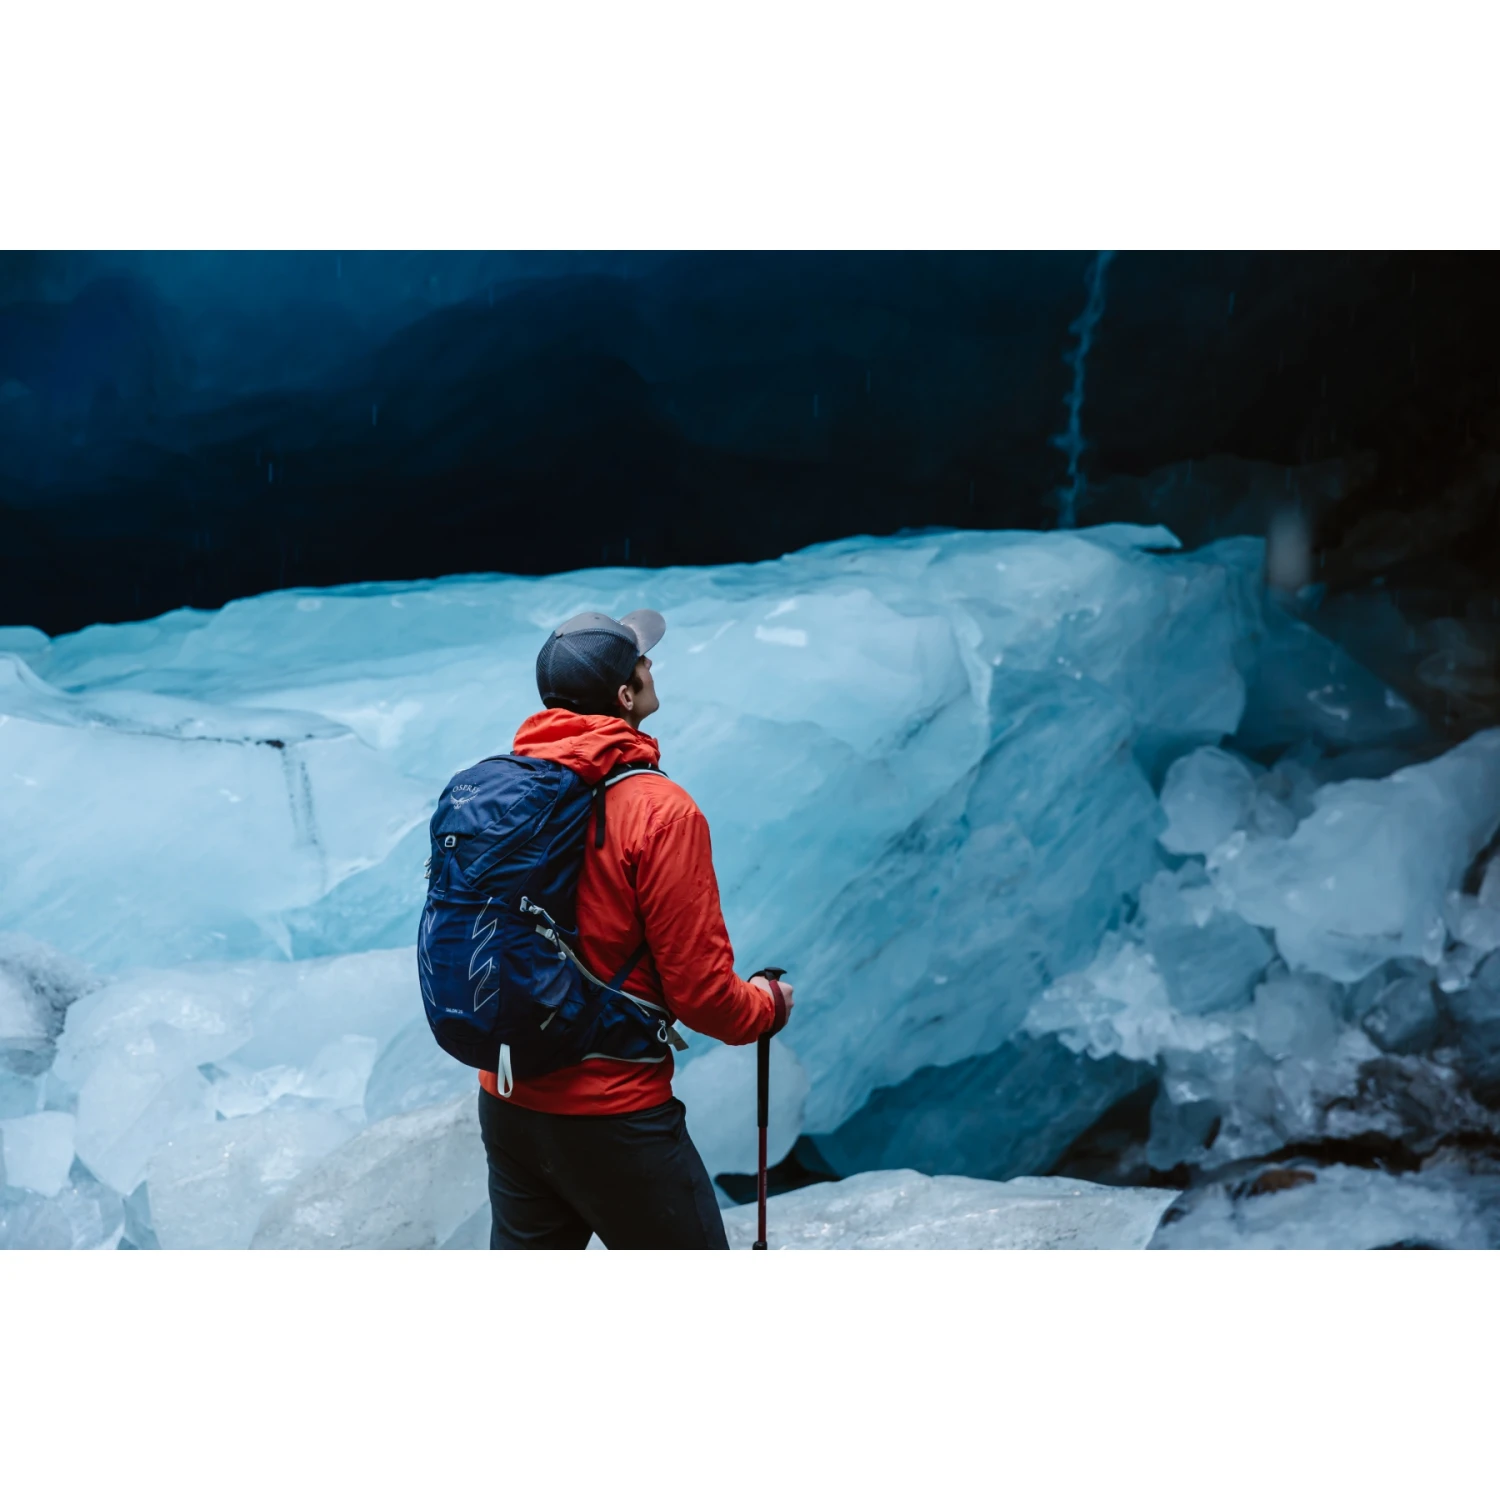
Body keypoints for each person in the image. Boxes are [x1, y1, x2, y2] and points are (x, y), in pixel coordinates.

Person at [476, 608, 794, 1249]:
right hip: (612, 1112)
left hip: (509, 1101)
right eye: (641, 661)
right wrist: (767, 1007)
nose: (651, 665)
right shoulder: (660, 811)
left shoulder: (503, 795)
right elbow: (702, 996)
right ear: (626, 695)